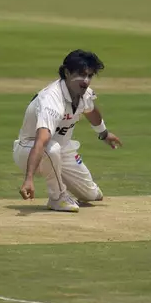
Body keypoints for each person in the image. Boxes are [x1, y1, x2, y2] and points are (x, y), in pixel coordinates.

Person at [13, 49, 122, 212]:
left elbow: (90, 110)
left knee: (92, 195)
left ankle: (77, 189)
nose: (86, 81)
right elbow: (41, 141)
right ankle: (57, 198)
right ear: (67, 72)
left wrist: (104, 133)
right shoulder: (51, 100)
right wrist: (29, 178)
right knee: (51, 148)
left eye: (90, 76)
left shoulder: (83, 93)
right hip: (29, 149)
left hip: (63, 151)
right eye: (81, 74)